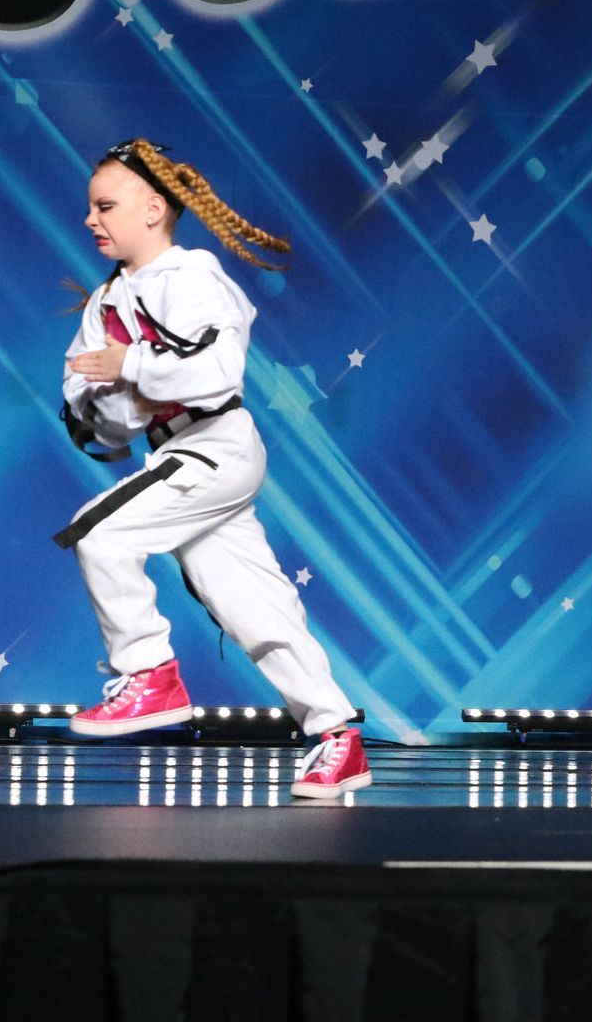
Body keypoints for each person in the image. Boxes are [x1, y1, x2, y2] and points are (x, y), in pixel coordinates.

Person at [55, 138, 370, 800]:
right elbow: (96, 416)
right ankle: (336, 736)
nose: (91, 219)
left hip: (214, 445)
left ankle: (151, 674)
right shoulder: (104, 305)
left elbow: (219, 372)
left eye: (106, 205)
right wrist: (110, 398)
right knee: (249, 601)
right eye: (90, 207)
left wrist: (132, 368)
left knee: (98, 534)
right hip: (174, 451)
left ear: (153, 209)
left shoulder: (192, 278)